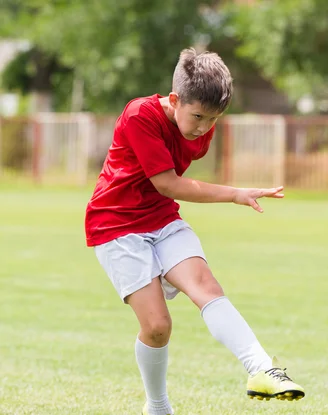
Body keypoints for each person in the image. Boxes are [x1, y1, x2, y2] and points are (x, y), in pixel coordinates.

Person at [85, 47, 305, 415]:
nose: (203, 127)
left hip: (161, 218)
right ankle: (157, 407)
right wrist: (236, 194)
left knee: (206, 286)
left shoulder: (203, 123)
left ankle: (262, 369)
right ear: (174, 100)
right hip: (116, 223)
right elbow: (168, 184)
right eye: (198, 116)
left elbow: (167, 191)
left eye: (213, 119)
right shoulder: (141, 114)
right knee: (157, 327)